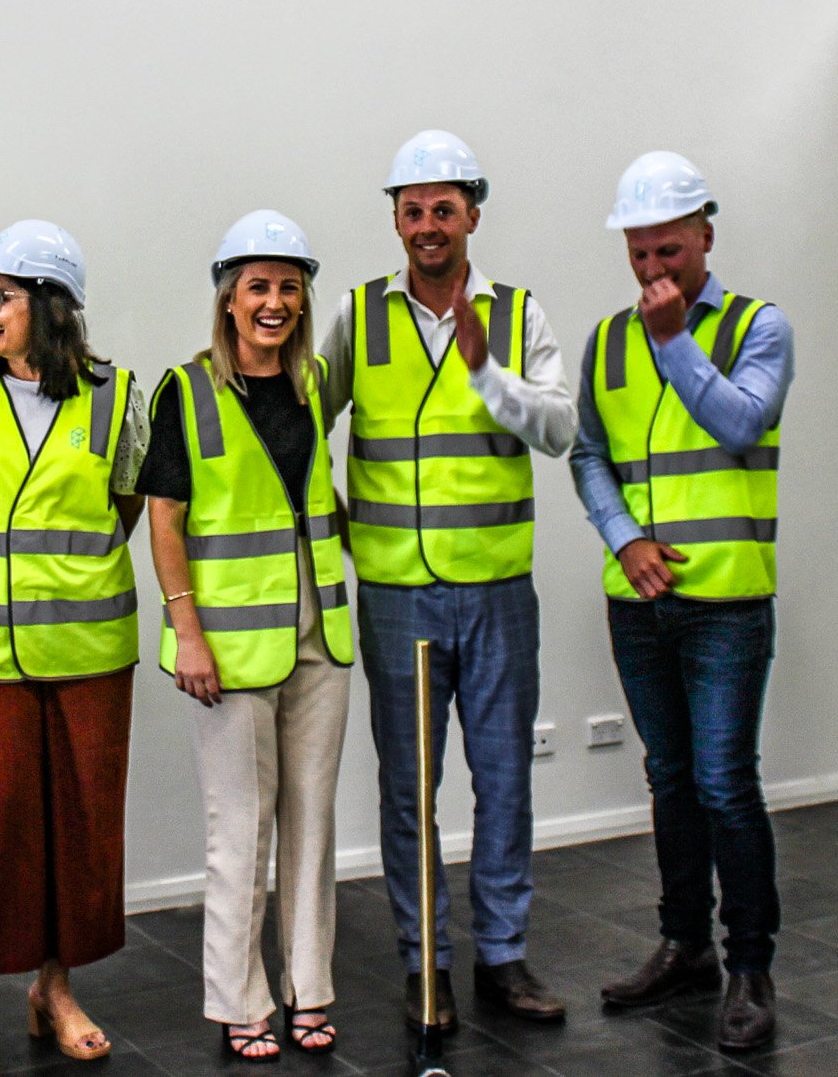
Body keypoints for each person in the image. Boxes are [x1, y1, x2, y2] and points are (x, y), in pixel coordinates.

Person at [320, 130, 576, 1028]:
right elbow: (301, 420)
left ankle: (504, 957)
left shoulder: (518, 315)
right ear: (395, 220)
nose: (428, 225)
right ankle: (423, 962)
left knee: (504, 780)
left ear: (473, 214)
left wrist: (485, 371)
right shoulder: (357, 315)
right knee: (409, 791)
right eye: (412, 210)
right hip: (398, 597)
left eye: (443, 209)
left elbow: (559, 430)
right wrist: (334, 525)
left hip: (498, 590)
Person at [0, 221, 148, 1077]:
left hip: (89, 648)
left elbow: (126, 503)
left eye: (0, 296)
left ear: (51, 304)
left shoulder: (117, 396)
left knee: (79, 823)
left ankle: (55, 988)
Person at [568, 153, 793, 1052]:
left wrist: (675, 343)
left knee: (725, 783)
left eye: (669, 250)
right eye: (639, 254)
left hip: (727, 602)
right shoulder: (606, 340)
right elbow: (589, 454)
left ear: (706, 233)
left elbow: (741, 423)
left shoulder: (758, 328)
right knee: (668, 777)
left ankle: (751, 967)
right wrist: (624, 537)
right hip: (639, 600)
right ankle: (685, 945)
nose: (653, 269)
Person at [141, 211, 354, 1062]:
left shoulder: (314, 382)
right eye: (258, 287)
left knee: (313, 821)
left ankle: (311, 987)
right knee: (241, 829)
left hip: (319, 631)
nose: (274, 303)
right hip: (227, 643)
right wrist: (185, 631)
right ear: (228, 299)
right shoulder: (185, 390)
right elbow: (164, 518)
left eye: (288, 288)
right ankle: (238, 1000)